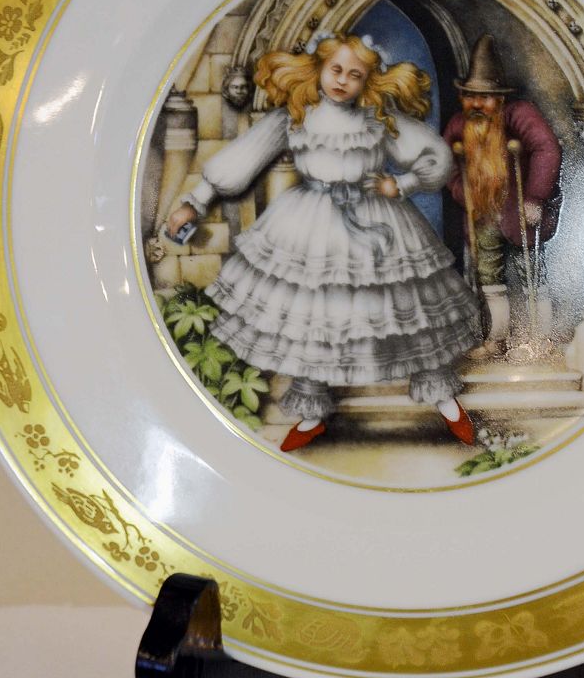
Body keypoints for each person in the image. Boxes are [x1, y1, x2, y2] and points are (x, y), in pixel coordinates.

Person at [166, 32, 482, 452]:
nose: (342, 81)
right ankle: (312, 412)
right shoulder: (297, 115)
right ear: (318, 69)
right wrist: (196, 201)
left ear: (367, 80)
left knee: (406, 312)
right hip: (309, 221)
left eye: (355, 74)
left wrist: (402, 184)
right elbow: (243, 159)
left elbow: (436, 157)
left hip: (376, 219)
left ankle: (445, 400)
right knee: (312, 315)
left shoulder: (377, 116)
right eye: (336, 70)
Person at [442, 35, 562, 351]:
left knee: (531, 274)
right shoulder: (459, 125)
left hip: (520, 211)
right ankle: (496, 338)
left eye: (485, 97)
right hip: (482, 213)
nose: (477, 104)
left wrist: (535, 197)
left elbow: (546, 149)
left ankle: (540, 338)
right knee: (489, 277)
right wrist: (463, 194)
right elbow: (445, 164)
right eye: (470, 96)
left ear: (500, 98)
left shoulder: (519, 115)